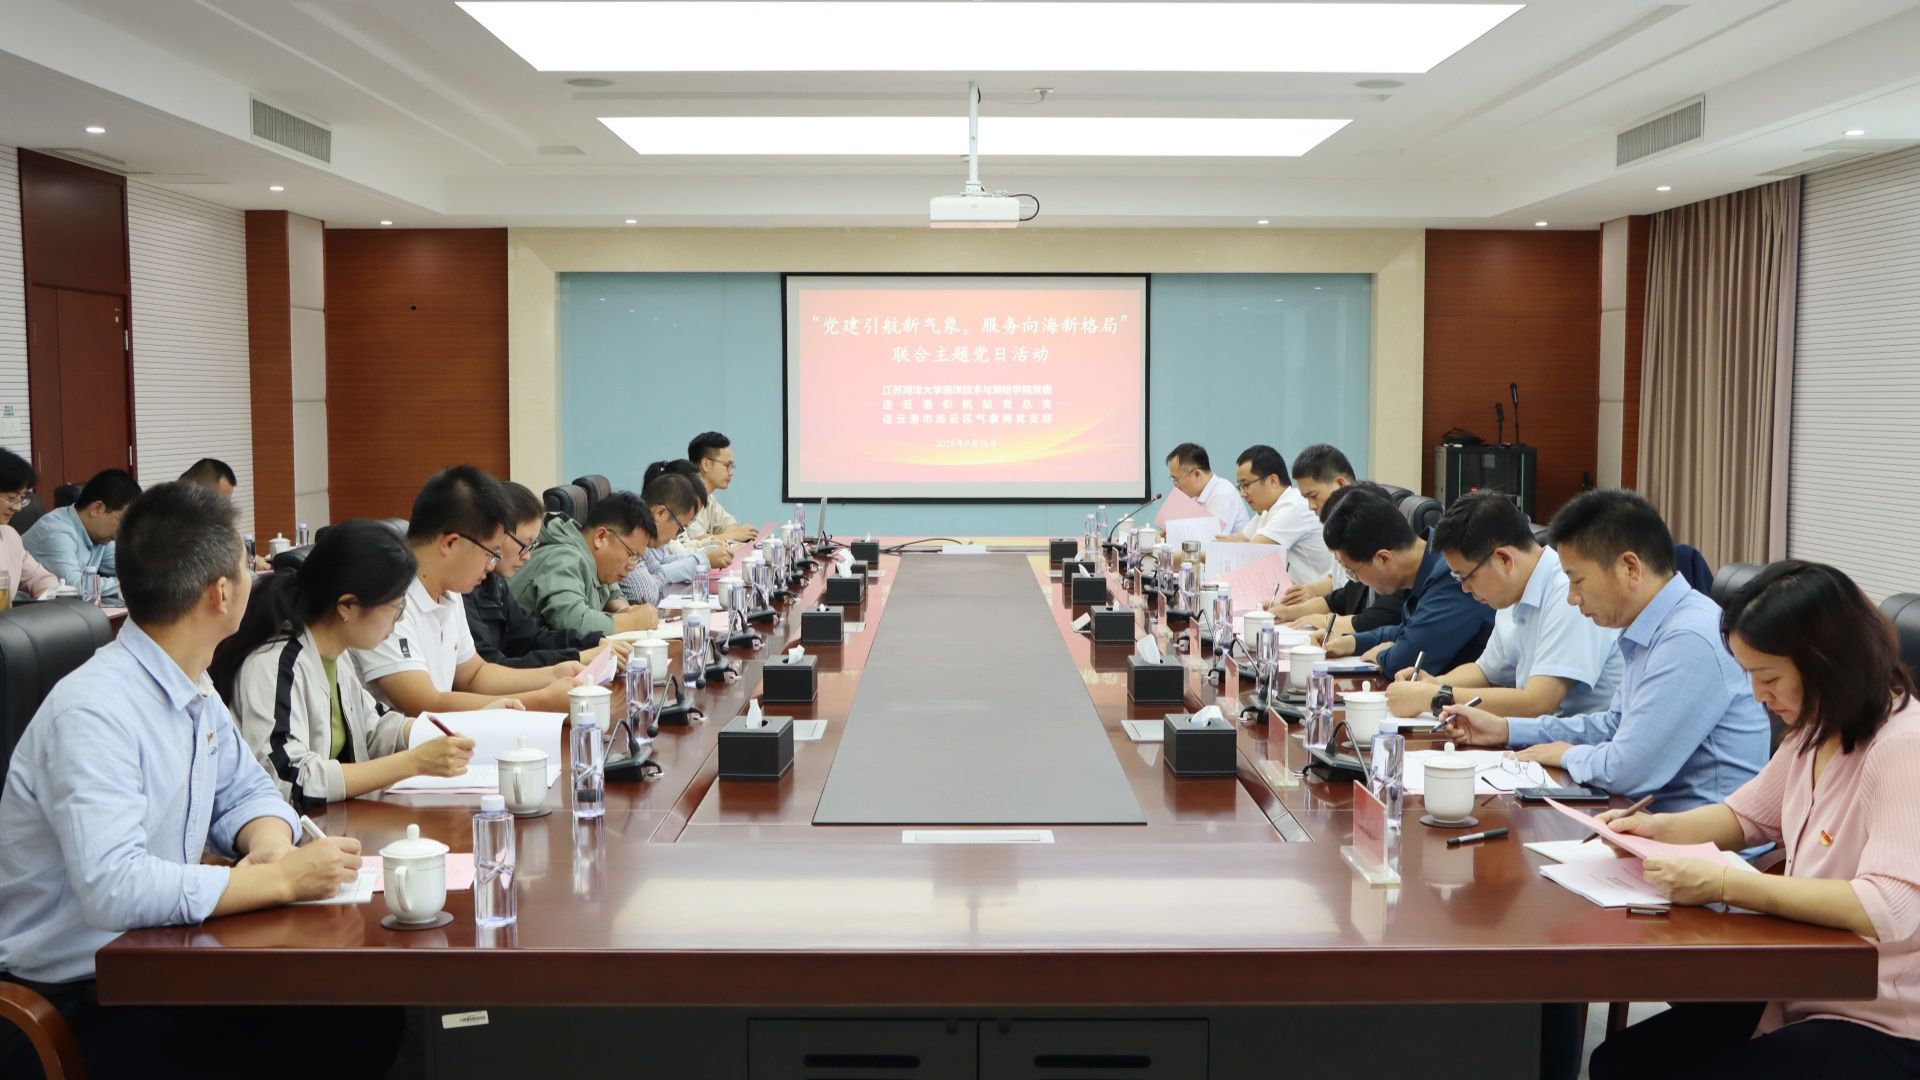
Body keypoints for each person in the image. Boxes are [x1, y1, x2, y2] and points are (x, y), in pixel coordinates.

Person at [0, 482, 399, 1080]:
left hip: (160, 960)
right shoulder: (93, 711)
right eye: (245, 564)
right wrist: (277, 881)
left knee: (362, 1011)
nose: (256, 577)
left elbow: (247, 790)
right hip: (80, 995)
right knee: (319, 1034)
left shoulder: (193, 682)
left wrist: (270, 847)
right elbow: (115, 888)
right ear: (222, 593)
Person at [1589, 560, 1920, 1079]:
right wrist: (1654, 829)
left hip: (1883, 1018)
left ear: (1827, 662)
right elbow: (1743, 817)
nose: (1759, 695)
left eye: (1769, 677)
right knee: (1619, 1062)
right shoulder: (1816, 729)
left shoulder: (1903, 746)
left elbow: (1888, 907)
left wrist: (1725, 883)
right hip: (1804, 982)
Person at [1438, 489, 1768, 811]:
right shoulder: (1649, 626)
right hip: (1641, 819)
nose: (1572, 598)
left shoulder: (1689, 638)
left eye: (1577, 580)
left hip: (1697, 838)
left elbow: (1627, 770)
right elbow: (1612, 726)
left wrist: (1565, 754)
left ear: (1630, 568)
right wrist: (1507, 729)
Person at [211, 519, 481, 807]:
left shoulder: (336, 655)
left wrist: (436, 733)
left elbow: (373, 726)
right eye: (395, 606)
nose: (400, 617)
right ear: (347, 606)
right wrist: (413, 762)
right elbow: (289, 779)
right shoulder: (274, 664)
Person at [355, 465, 581, 715]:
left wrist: (553, 674)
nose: (491, 565)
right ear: (450, 543)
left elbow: (474, 674)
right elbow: (426, 704)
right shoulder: (388, 599)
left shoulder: (450, 591)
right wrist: (542, 700)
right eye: (491, 552)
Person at [1387, 491, 1623, 721]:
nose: (1465, 588)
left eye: (1465, 576)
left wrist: (1435, 696)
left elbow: (1538, 703)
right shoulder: (1512, 594)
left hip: (1580, 743)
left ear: (1504, 559)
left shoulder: (1568, 593)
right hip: (1537, 738)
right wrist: (1433, 684)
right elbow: (1486, 672)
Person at [1318, 485, 1494, 676]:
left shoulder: (1451, 575)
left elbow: (1404, 660)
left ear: (1383, 558)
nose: (1357, 580)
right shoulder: (1426, 564)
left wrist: (1382, 655)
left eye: (1353, 572)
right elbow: (1408, 632)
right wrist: (1352, 642)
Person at [467, 482, 628, 670]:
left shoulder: (494, 582)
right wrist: (576, 657)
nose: (527, 556)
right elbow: (491, 669)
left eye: (532, 546)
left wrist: (592, 642)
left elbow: (532, 637)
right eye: (525, 545)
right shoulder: (463, 591)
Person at [1267, 447, 1406, 634]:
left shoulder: (1368, 536)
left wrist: (1325, 622)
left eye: (1313, 496)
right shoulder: (1346, 533)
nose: (1310, 506)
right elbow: (1339, 597)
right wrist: (1288, 612)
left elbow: (1375, 621)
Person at [511, 489, 664, 636]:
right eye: (631, 555)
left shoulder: (591, 557)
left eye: (637, 559)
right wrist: (631, 621)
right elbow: (572, 621)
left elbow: (612, 592)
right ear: (601, 537)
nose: (632, 567)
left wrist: (623, 610)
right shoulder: (564, 558)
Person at [23, 467, 140, 603]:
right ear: (97, 508)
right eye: (122, 521)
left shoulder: (99, 534)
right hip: (20, 610)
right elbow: (76, 587)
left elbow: (132, 568)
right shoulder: (57, 532)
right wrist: (128, 583)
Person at [1229, 444, 1334, 588]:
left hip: (1315, 596)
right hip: (1296, 595)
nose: (1243, 493)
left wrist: (1199, 555)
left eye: (1246, 485)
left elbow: (1250, 553)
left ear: (1273, 480)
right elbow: (1237, 541)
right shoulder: (1267, 509)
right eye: (1240, 486)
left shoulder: (1292, 507)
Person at [619, 471, 705, 607]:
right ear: (660, 513)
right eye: (680, 528)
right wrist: (656, 581)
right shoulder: (629, 534)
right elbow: (646, 595)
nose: (675, 537)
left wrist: (655, 580)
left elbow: (659, 572)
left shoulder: (645, 543)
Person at [179, 457, 269, 570]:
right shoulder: (169, 517)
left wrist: (247, 558)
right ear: (195, 488)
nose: (221, 509)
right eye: (219, 500)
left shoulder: (198, 512)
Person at [647, 459, 730, 580]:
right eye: (680, 528)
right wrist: (704, 560)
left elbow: (666, 561)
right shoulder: (639, 539)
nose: (675, 537)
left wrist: (707, 552)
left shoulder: (657, 538)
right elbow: (655, 576)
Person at [0, 448, 59, 602]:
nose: (17, 507)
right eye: (11, 498)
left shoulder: (9, 536)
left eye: (21, 498)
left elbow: (40, 578)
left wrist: (44, 595)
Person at [684, 431, 758, 546]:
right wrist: (734, 536)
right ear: (706, 464)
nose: (731, 472)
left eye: (732, 466)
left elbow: (732, 526)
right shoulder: (685, 496)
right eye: (727, 465)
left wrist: (718, 536)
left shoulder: (709, 498)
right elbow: (696, 541)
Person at [1165, 442, 1250, 534]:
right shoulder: (1195, 495)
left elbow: (1214, 538)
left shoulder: (1223, 493)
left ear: (1197, 474)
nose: (1175, 486)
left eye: (1176, 480)